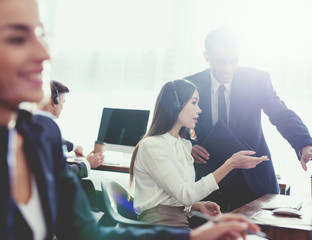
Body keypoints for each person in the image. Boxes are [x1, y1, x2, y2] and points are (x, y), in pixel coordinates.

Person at [0, 0, 260, 239]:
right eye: (17, 38)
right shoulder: (154, 145)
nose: (45, 53)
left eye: (42, 34)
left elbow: (89, 233)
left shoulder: (43, 135)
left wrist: (193, 236)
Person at [185, 26, 312, 211]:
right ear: (206, 57)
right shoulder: (190, 85)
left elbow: (281, 114)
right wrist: (187, 146)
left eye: (233, 61)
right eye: (220, 62)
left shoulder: (256, 80)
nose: (228, 69)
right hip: (209, 179)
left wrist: (304, 145)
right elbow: (176, 125)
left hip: (253, 179)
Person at [129, 79, 268, 228]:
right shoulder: (153, 146)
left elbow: (176, 194)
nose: (199, 110)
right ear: (175, 105)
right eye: (194, 103)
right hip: (160, 226)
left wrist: (196, 205)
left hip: (180, 223)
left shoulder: (183, 144)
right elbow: (186, 194)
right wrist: (230, 164)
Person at [37, 80, 104, 178]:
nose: (62, 107)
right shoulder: (46, 127)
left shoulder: (36, 124)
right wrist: (88, 163)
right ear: (54, 100)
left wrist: (75, 147)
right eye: (62, 102)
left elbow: (55, 141)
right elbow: (62, 173)